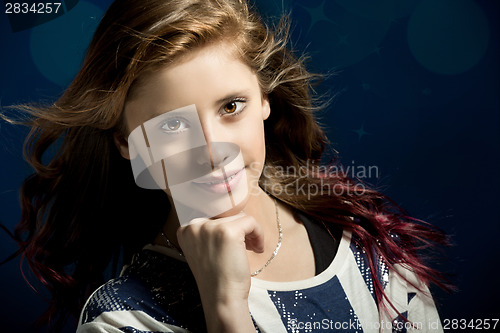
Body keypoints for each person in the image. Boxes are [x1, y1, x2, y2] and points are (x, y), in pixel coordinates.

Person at [2, 0, 450, 332]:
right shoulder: (124, 320)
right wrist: (225, 311)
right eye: (172, 125)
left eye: (232, 106)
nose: (213, 150)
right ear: (126, 143)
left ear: (265, 103)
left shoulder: (363, 241)